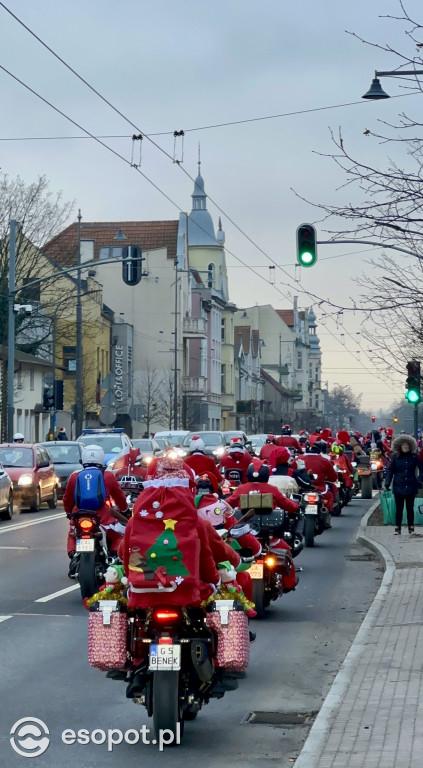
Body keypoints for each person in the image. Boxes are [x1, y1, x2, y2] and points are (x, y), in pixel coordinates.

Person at [63, 444, 131, 577]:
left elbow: (68, 499)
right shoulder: (108, 476)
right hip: (103, 518)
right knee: (119, 534)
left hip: (80, 515)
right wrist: (125, 510)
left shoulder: (75, 476)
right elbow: (119, 497)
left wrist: (69, 513)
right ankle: (113, 555)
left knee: (73, 533)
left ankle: (73, 554)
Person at [385, 434, 423, 535]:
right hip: (398, 485)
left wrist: (419, 480)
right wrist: (387, 482)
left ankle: (411, 527)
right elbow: (390, 471)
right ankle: (398, 528)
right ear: (400, 446)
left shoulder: (414, 457)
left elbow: (422, 469)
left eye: (407, 445)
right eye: (403, 445)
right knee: (399, 508)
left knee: (410, 508)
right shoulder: (395, 457)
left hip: (411, 485)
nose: (405, 447)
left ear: (410, 447)